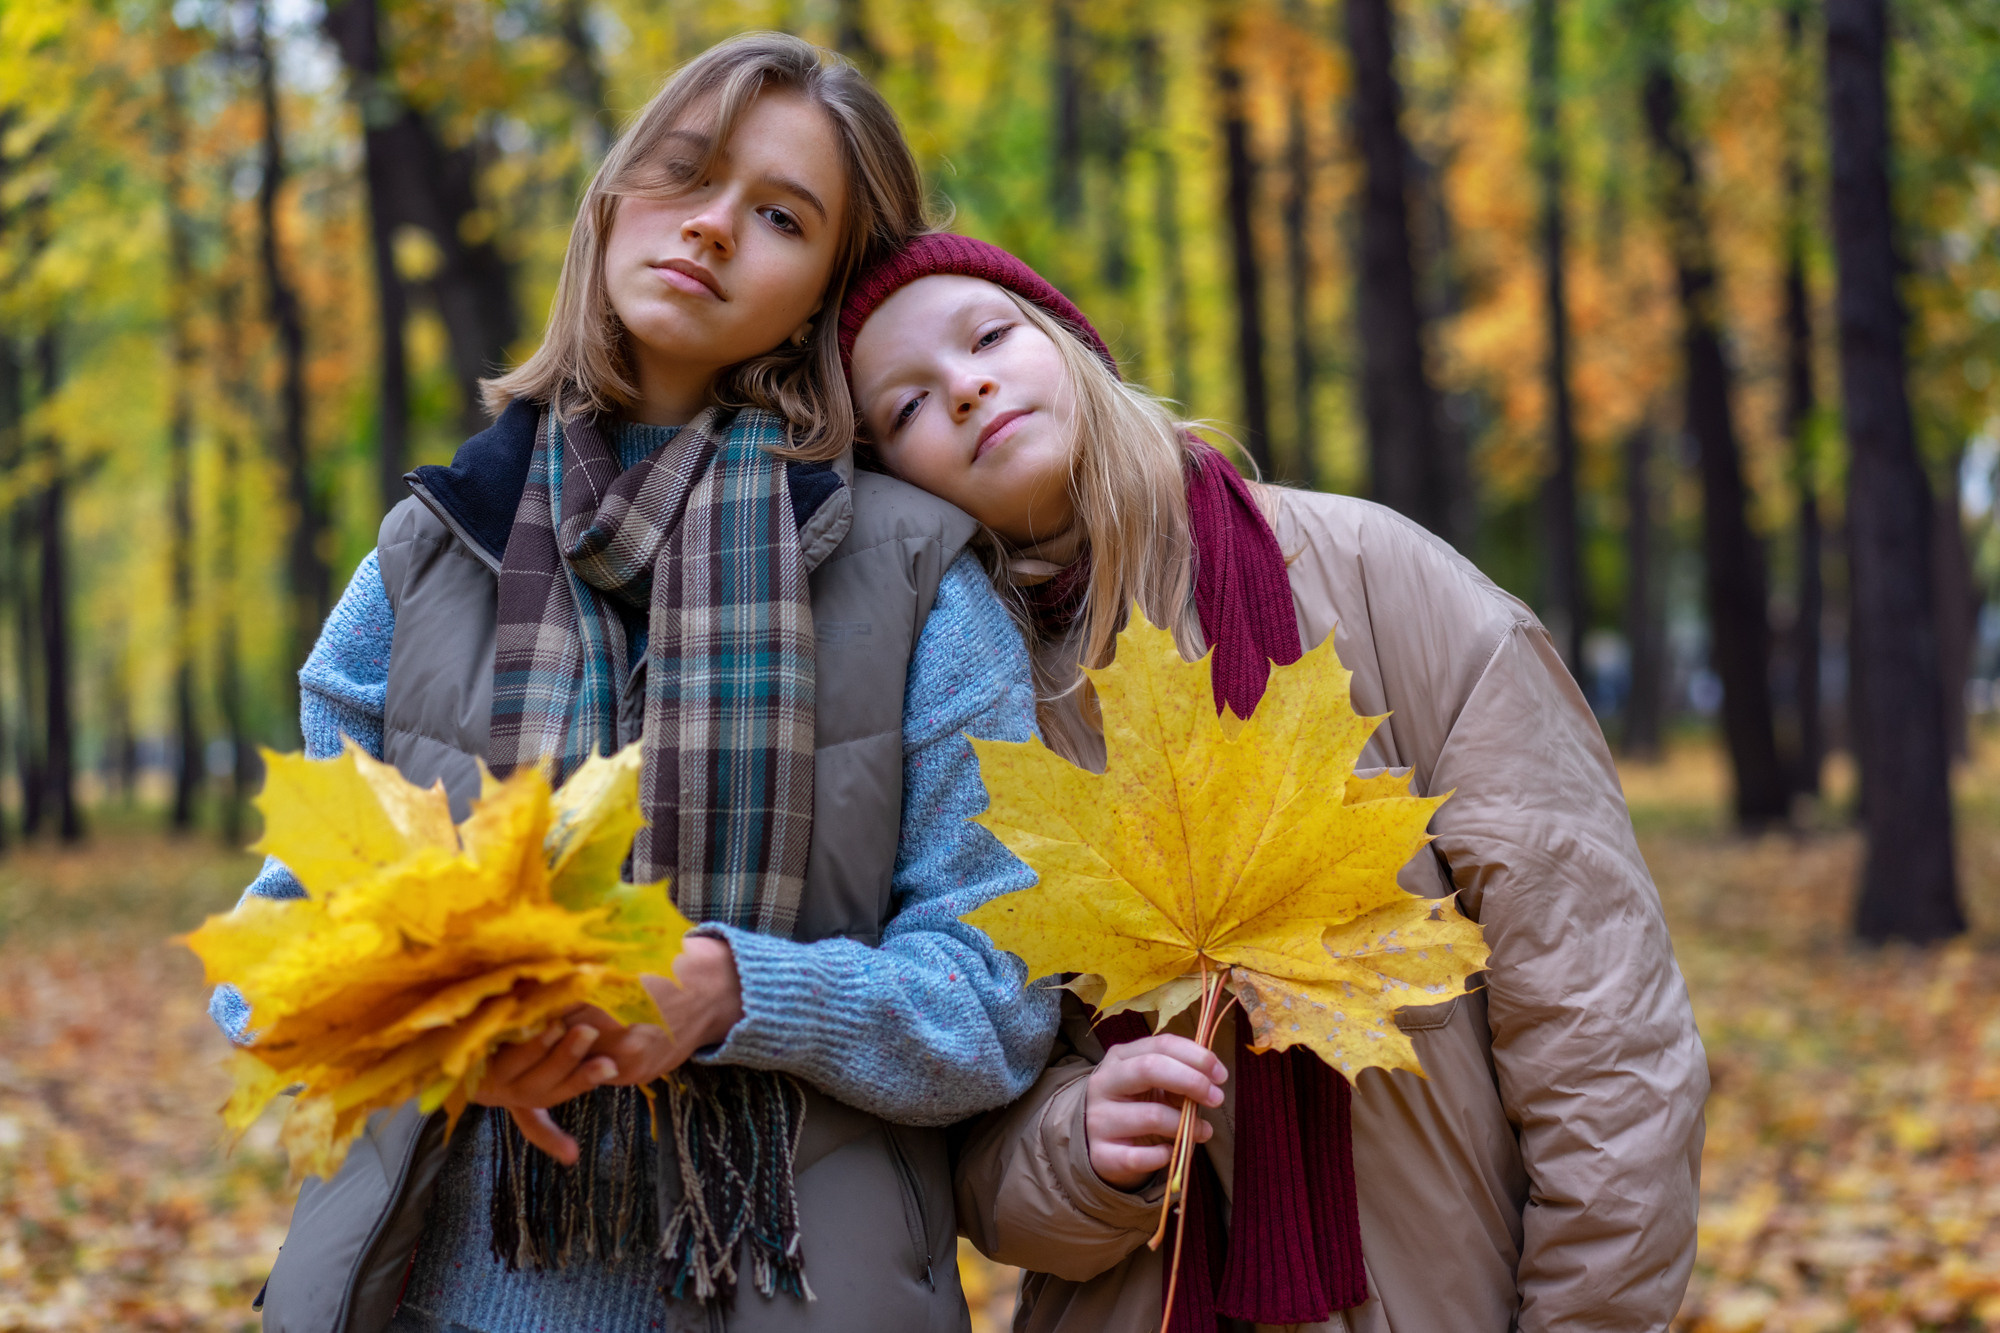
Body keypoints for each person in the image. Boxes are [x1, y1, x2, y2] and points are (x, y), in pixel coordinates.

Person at [209, 42, 1058, 1333]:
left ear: (820, 293)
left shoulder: (917, 577)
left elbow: (1001, 1001)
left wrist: (734, 990)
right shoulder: (433, 554)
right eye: (686, 174)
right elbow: (265, 963)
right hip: (439, 1290)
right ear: (613, 200)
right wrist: (445, 1024)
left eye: (781, 216)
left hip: (794, 1293)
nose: (715, 227)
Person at [838, 234, 1709, 1333]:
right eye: (906, 407)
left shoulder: (1375, 579)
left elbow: (1603, 1034)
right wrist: (1079, 1149)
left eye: (989, 337)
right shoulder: (956, 717)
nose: (963, 389)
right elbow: (963, 1147)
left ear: (1068, 343)